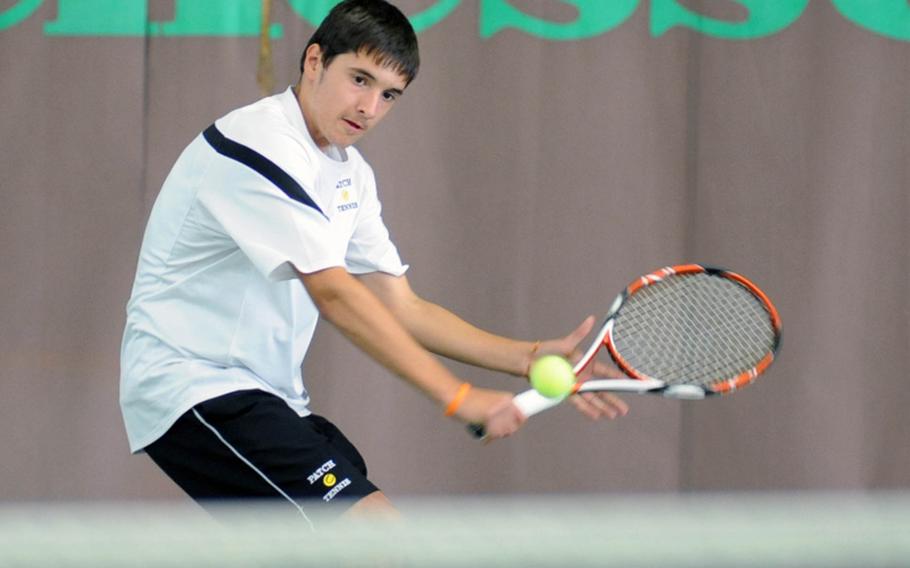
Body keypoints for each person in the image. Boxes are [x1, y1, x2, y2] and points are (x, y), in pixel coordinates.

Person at [120, 0, 628, 524]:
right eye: (358, 79)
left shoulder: (350, 174)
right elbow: (336, 294)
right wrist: (459, 397)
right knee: (377, 535)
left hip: (268, 397)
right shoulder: (261, 143)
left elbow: (402, 306)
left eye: (389, 94)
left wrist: (530, 357)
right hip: (194, 388)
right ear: (314, 61)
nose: (369, 107)